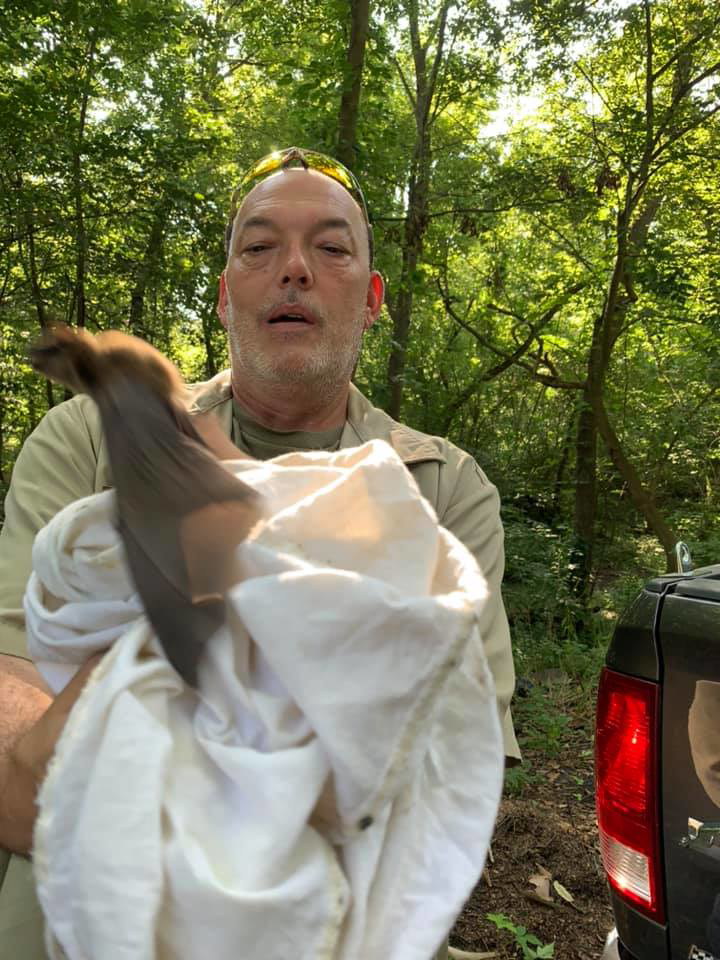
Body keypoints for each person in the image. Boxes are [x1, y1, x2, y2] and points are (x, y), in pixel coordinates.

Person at [0, 147, 519, 959]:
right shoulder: (81, 441)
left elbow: (444, 782)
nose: (295, 270)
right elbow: (11, 774)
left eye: (334, 247)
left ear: (374, 298)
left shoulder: (442, 488)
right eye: (259, 246)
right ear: (223, 295)